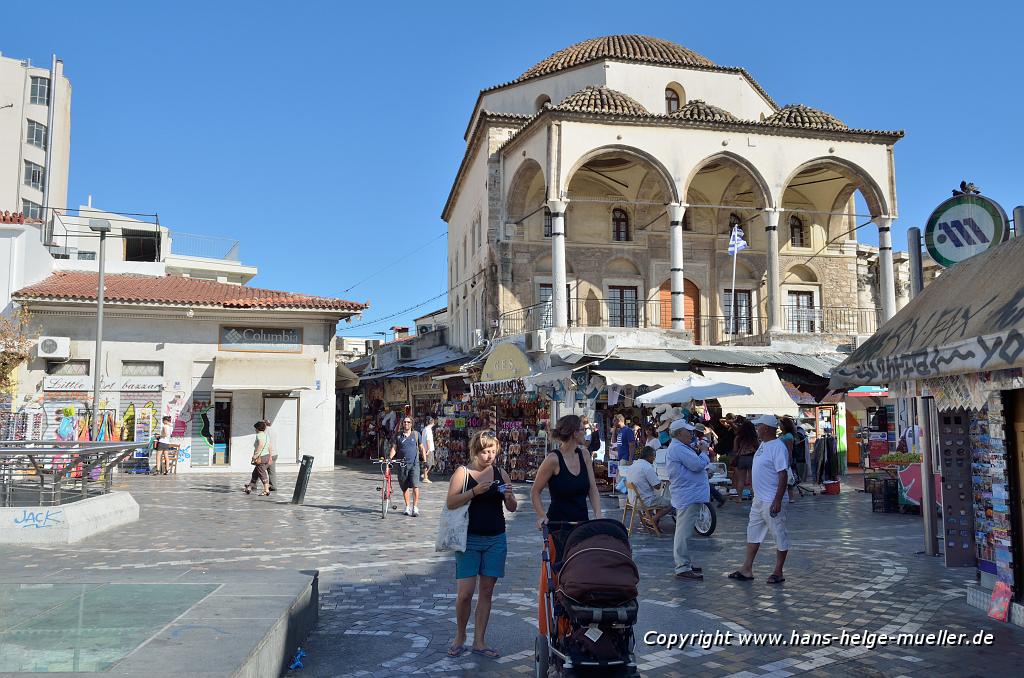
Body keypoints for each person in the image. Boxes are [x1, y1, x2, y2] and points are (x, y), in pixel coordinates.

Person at [445, 430, 517, 659]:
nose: (489, 456)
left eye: (493, 452)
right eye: (485, 452)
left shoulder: (500, 473)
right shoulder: (463, 473)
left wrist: (509, 497)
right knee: (465, 593)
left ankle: (479, 641)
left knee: (486, 591)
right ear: (476, 451)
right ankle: (460, 636)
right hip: (469, 539)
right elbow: (451, 502)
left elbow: (513, 507)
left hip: (496, 538)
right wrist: (475, 491)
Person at [729, 414, 791, 585]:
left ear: (767, 428)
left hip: (771, 499)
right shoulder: (764, 444)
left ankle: (778, 571)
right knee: (753, 532)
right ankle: (746, 568)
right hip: (759, 499)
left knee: (778, 533)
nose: (756, 429)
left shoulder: (778, 447)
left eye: (759, 426)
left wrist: (778, 500)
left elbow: (783, 474)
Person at [531, 414, 603, 529]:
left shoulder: (584, 455)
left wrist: (598, 513)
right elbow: (535, 491)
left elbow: (592, 488)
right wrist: (541, 515)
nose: (585, 432)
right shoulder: (553, 459)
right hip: (558, 526)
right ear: (574, 433)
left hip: (582, 524)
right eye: (582, 429)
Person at [666, 419, 710, 580]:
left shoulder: (680, 447)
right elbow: (697, 465)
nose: (691, 434)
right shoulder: (678, 448)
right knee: (683, 532)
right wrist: (704, 453)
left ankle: (684, 563)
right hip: (688, 495)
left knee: (683, 530)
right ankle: (682, 566)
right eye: (688, 431)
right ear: (678, 433)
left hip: (688, 494)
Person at [389, 416, 426, 516]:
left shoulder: (416, 434)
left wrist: (425, 461)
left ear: (411, 424)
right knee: (404, 487)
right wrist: (390, 458)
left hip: (414, 464)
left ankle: (415, 507)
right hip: (402, 465)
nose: (406, 424)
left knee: (415, 485)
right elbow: (394, 448)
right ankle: (407, 507)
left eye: (408, 422)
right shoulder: (398, 436)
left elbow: (421, 448)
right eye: (404, 422)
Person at [631, 446, 673, 525]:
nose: (654, 459)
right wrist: (657, 478)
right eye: (653, 456)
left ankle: (649, 517)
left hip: (633, 500)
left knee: (657, 497)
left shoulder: (634, 465)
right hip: (644, 501)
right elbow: (657, 487)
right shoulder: (647, 467)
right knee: (672, 503)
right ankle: (652, 520)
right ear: (649, 456)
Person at [731, 417, 758, 501]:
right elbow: (757, 448)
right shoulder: (754, 437)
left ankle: (739, 497)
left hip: (741, 459)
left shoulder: (738, 437)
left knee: (741, 480)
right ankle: (754, 497)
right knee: (752, 480)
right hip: (751, 458)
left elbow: (735, 450)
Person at [243, 421, 271, 496]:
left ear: (258, 428)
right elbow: (269, 446)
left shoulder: (259, 435)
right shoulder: (266, 435)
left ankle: (266, 490)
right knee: (255, 473)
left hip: (260, 457)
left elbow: (261, 445)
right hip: (266, 456)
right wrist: (270, 457)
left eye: (255, 428)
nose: (255, 430)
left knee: (262, 473)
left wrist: (255, 455)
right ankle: (249, 487)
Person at [263, 419, 277, 492]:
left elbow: (265, 443)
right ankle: (273, 486)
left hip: (268, 453)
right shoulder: (273, 431)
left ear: (265, 424)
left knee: (259, 469)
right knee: (272, 472)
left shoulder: (266, 431)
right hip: (275, 453)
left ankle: (253, 484)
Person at [421, 416, 436, 483]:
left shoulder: (425, 429)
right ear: (432, 422)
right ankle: (425, 477)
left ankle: (424, 475)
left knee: (431, 463)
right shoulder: (428, 430)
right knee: (428, 463)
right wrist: (429, 449)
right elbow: (428, 440)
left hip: (427, 449)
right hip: (428, 449)